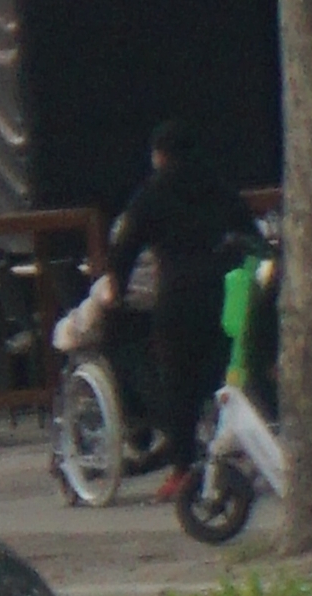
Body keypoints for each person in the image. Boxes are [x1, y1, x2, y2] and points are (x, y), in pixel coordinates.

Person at [109, 122, 255, 501]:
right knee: (229, 373)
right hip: (225, 291)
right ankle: (241, 453)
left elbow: (125, 246)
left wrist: (117, 291)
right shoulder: (219, 187)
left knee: (179, 384)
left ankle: (181, 470)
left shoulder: (153, 192)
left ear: (160, 154)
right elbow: (252, 234)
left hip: (178, 294)